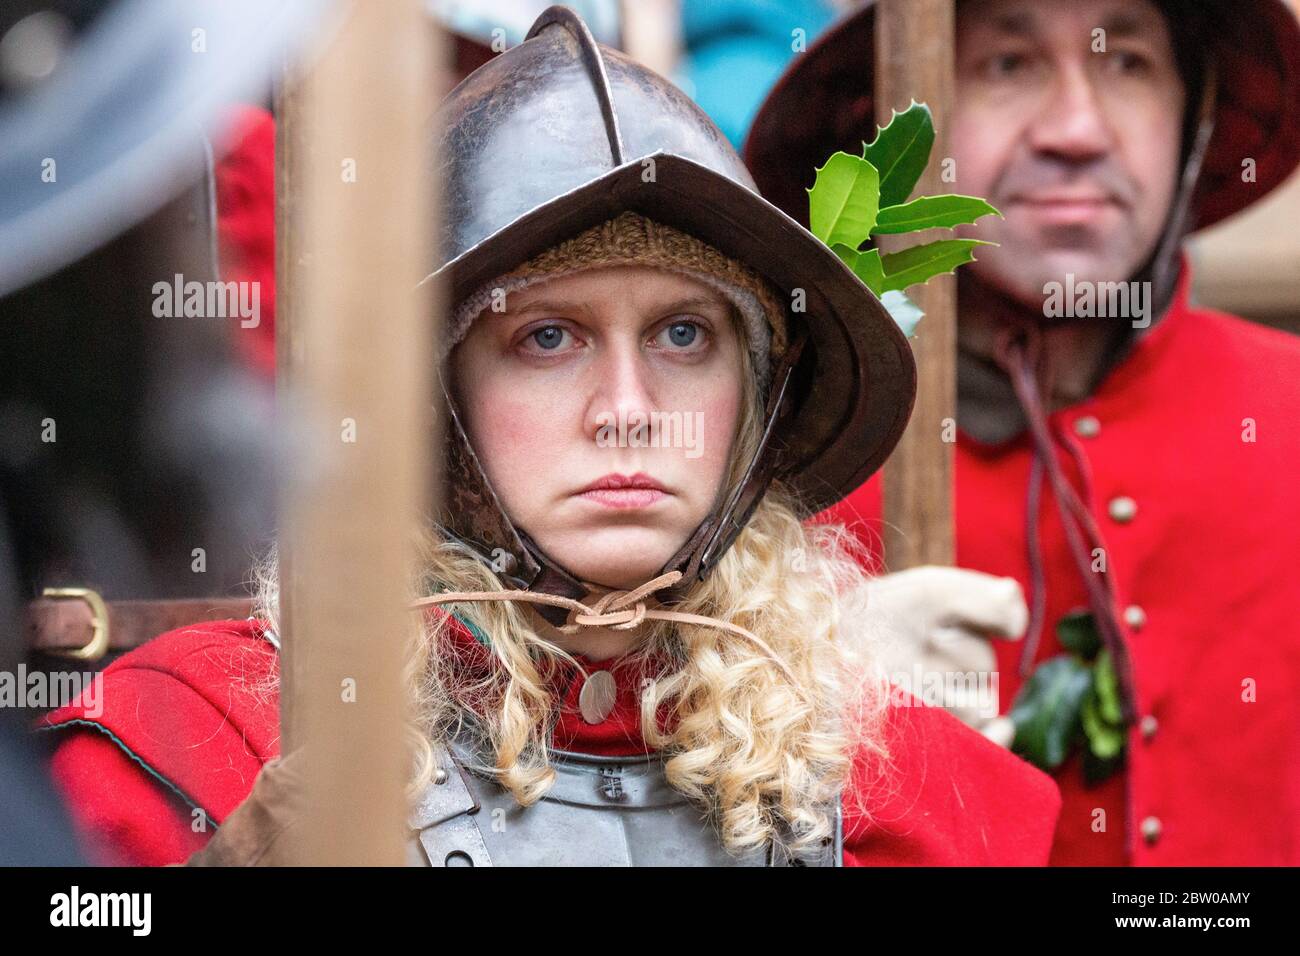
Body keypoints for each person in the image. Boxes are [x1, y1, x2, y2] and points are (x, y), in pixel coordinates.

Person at [41, 6, 1060, 867]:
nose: (628, 404)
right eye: (545, 336)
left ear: (753, 398)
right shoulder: (195, 740)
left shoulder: (911, 791)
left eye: (683, 332)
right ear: (434, 406)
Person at [744, 0, 1300, 865]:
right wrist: (806, 694)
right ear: (887, 124)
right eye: (1008, 64)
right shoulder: (770, 466)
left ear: (1195, 111)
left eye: (1128, 63)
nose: (1076, 130)